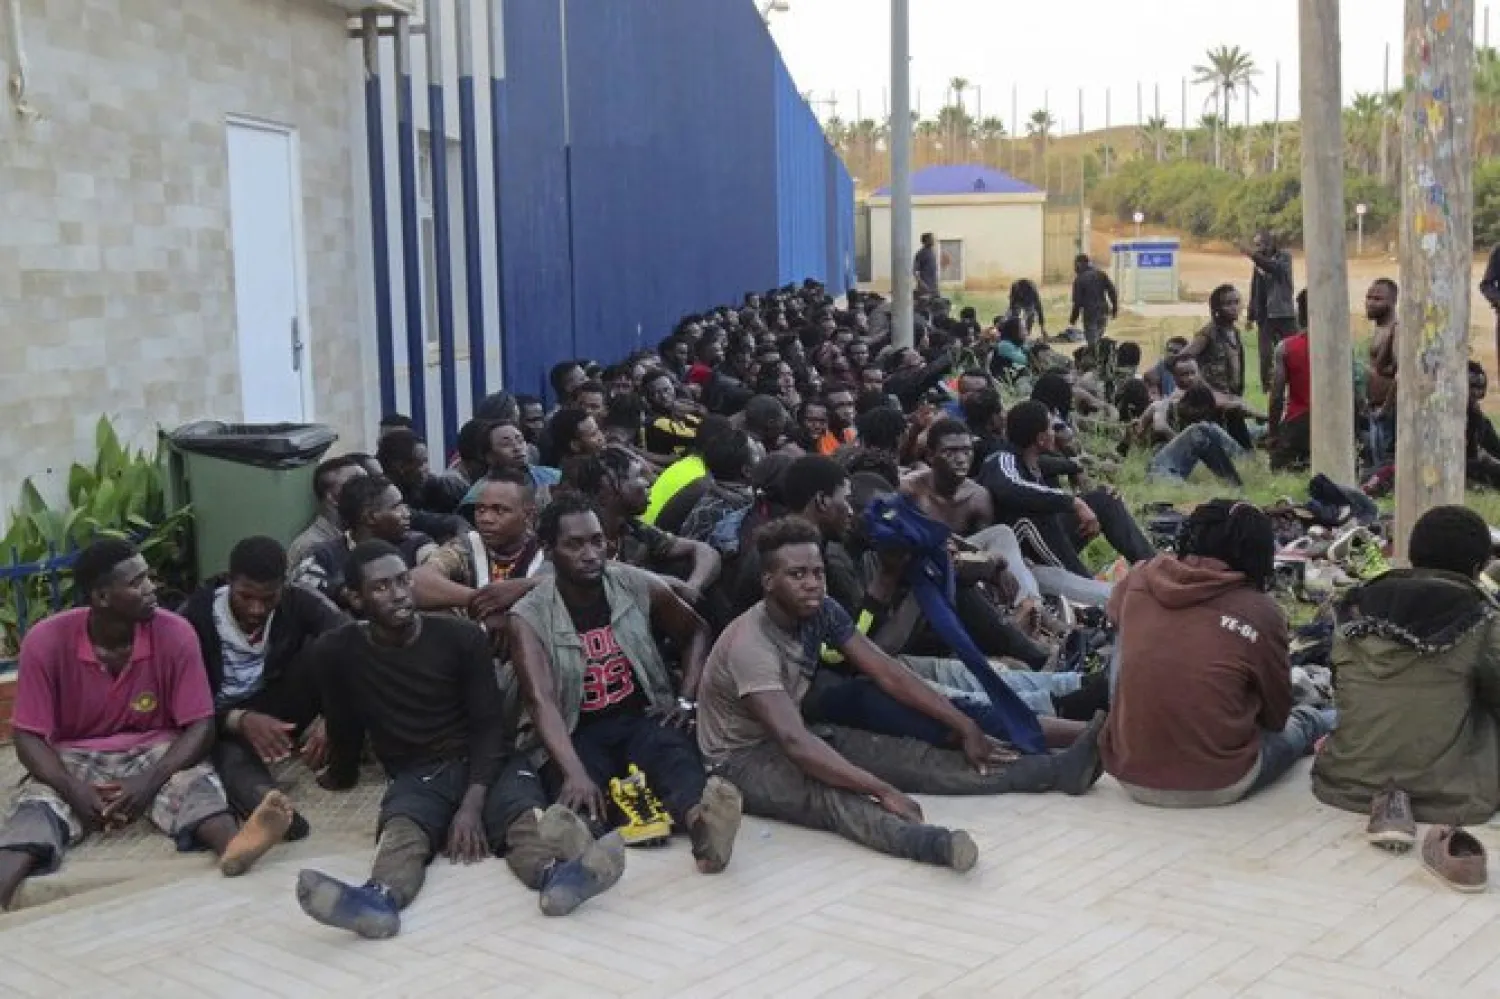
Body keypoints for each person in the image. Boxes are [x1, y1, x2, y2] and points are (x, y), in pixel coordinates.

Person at [695, 518, 1105, 871]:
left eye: (817, 572)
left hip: (798, 731)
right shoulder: (751, 645)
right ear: (768, 581)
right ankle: (930, 844)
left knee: (912, 758)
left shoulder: (822, 611)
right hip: (741, 759)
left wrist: (964, 725)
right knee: (835, 796)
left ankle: (1058, 771)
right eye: (797, 575)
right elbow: (794, 743)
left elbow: (889, 673)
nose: (812, 584)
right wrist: (880, 789)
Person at [296, 541, 625, 938]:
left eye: (403, 581)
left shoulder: (460, 638)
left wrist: (471, 805)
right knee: (402, 831)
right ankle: (377, 900)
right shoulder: (336, 651)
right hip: (421, 772)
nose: (399, 594)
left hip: (490, 761)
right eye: (381, 587)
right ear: (354, 597)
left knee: (524, 820)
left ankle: (560, 879)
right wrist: (340, 776)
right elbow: (343, 723)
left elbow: (488, 727)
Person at [0, 541, 294, 909]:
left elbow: (200, 726)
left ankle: (236, 847)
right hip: (73, 757)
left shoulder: (176, 633)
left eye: (148, 577)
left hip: (156, 751)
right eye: (137, 582)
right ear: (102, 597)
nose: (151, 587)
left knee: (197, 790)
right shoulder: (45, 641)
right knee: (33, 815)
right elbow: (27, 735)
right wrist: (71, 787)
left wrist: (149, 781)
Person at [507, 495, 743, 870]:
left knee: (675, 757)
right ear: (549, 550)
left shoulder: (633, 584)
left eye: (596, 541)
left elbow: (696, 632)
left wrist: (686, 700)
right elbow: (541, 701)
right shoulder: (528, 615)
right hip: (575, 732)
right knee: (579, 790)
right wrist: (574, 773)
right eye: (574, 545)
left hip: (639, 718)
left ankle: (704, 830)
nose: (590, 554)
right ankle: (584, 844)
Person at [1102, 501, 1334, 806]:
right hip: (1219, 781)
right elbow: (1276, 719)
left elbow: (1119, 626)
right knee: (1306, 721)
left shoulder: (1138, 578)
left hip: (1130, 775)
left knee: (1127, 628)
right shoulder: (1261, 611)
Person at [1313, 505, 1500, 828]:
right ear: (1478, 567)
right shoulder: (1484, 622)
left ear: (1412, 556)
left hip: (1345, 783)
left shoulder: (1352, 609)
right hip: (1451, 797)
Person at [180, 536, 344, 843]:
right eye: (245, 596)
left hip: (279, 705)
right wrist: (239, 720)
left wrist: (333, 716)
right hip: (218, 720)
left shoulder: (298, 601)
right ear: (229, 581)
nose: (257, 609)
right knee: (228, 756)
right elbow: (183, 706)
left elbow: (350, 641)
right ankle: (271, 807)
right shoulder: (194, 617)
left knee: (328, 649)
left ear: (283, 586)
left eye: (269, 598)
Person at [980, 401, 1154, 582]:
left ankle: (1156, 569)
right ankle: (1088, 589)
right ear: (1040, 439)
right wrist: (1074, 503)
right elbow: (1012, 488)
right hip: (1017, 549)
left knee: (1104, 500)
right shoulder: (1001, 459)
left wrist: (1080, 474)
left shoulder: (1033, 461)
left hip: (1047, 541)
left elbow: (1057, 466)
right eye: (1050, 428)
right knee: (1038, 517)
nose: (1054, 433)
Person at [565, 447, 721, 602]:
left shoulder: (633, 529)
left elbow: (705, 551)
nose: (647, 483)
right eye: (638, 476)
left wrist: (693, 586)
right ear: (606, 490)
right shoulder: (577, 536)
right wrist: (666, 584)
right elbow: (603, 570)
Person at [292, 475, 437, 611]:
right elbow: (301, 583)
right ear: (370, 517)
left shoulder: (417, 543)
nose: (407, 513)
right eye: (396, 507)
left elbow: (437, 570)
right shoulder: (324, 554)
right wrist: (345, 593)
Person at [414, 471, 546, 615]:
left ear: (529, 515)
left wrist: (526, 586)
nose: (486, 518)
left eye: (500, 510)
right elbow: (416, 582)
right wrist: (486, 600)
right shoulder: (466, 545)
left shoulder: (547, 550)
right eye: (480, 509)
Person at [1140, 384, 1248, 487]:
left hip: (1175, 466)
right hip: (1160, 461)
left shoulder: (1195, 420)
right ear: (1188, 405)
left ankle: (1245, 460)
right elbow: (1160, 426)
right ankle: (1236, 478)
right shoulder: (1163, 405)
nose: (1198, 417)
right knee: (1199, 430)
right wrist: (1178, 438)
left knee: (1209, 428)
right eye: (1197, 413)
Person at [375, 429, 466, 543]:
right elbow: (416, 518)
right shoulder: (380, 491)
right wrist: (454, 522)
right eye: (422, 463)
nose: (427, 468)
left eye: (426, 462)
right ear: (400, 466)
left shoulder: (429, 484)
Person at [287, 456, 367, 566]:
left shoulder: (357, 538)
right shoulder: (309, 546)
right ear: (333, 497)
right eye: (357, 483)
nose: (367, 489)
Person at [1245, 231, 1297, 392]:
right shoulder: (1258, 262)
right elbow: (1255, 289)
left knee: (1290, 351)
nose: (1258, 248)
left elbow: (1274, 268)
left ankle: (1294, 383)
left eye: (1260, 244)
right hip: (1265, 316)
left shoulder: (1284, 257)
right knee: (1265, 355)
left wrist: (1251, 255)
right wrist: (1250, 315)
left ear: (1271, 243)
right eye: (1256, 245)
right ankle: (1267, 388)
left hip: (1284, 314)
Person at [1268, 289, 1313, 471]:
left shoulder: (1286, 347)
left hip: (1298, 424)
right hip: (1335, 424)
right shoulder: (1342, 346)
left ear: (1300, 314)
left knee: (1278, 468)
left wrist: (1273, 434)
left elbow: (1276, 396)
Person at [1181, 284, 1246, 398]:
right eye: (1228, 304)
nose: (1234, 307)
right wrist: (1199, 384)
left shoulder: (1235, 332)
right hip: (1212, 397)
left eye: (1237, 302)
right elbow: (1183, 358)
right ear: (1217, 308)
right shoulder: (1208, 333)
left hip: (1232, 396)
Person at [1365, 278, 1400, 467]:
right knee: (1379, 466)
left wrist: (1385, 409)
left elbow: (1401, 375)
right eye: (1369, 297)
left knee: (1387, 467)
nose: (1370, 302)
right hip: (1375, 410)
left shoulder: (1396, 330)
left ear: (1392, 302)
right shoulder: (1380, 329)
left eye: (1378, 299)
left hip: (1387, 413)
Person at [642, 369, 702, 456]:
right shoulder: (654, 422)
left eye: (666, 389)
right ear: (648, 397)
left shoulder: (678, 409)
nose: (664, 396)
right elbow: (697, 436)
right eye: (656, 393)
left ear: (674, 387)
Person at [1069, 254, 1118, 347]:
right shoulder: (1101, 274)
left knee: (1092, 344)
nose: (1074, 268)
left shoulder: (1079, 279)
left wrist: (1072, 320)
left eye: (1075, 265)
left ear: (1079, 264)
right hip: (1103, 312)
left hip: (1090, 314)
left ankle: (1094, 354)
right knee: (1098, 340)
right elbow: (1112, 291)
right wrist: (1115, 308)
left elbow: (1077, 303)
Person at [1465, 362, 1500, 488]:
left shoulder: (1477, 418)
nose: (1476, 394)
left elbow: (1495, 447)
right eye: (1472, 389)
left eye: (1479, 390)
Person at [913, 232, 940, 298]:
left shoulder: (932, 252)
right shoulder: (921, 254)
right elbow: (915, 272)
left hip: (934, 288)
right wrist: (922, 284)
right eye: (931, 238)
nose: (933, 240)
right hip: (925, 289)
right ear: (926, 241)